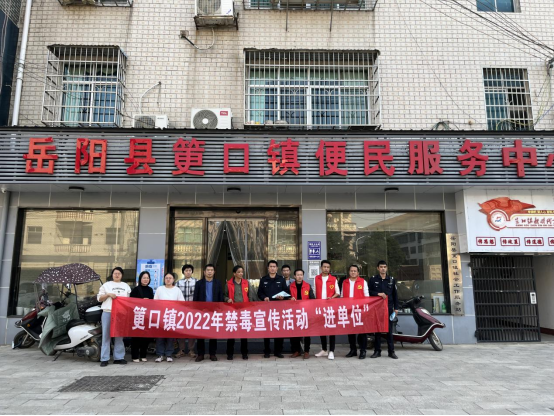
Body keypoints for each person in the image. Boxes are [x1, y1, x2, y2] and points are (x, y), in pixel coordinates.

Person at [97, 267, 132, 367]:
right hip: (108, 312)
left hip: (120, 314)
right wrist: (108, 295)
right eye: (115, 273)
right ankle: (104, 358)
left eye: (119, 273)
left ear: (122, 275)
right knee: (106, 335)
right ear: (112, 275)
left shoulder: (126, 286)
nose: (117, 275)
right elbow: (99, 298)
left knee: (119, 335)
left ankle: (119, 357)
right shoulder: (106, 285)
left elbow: (128, 301)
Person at [224, 265, 257, 361]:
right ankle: (230, 353)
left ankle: (244, 353)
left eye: (242, 272)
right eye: (238, 272)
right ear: (234, 273)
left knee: (244, 333)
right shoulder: (228, 283)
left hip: (244, 311)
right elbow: (224, 295)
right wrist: (227, 299)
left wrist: (250, 307)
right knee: (231, 333)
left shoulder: (246, 283)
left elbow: (250, 296)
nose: (241, 274)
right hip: (232, 311)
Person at [258, 260, 289, 358]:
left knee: (279, 330)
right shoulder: (263, 279)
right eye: (270, 266)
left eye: (274, 266)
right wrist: (264, 297)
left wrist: (283, 297)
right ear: (268, 268)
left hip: (279, 308)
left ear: (277, 268)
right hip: (267, 308)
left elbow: (287, 292)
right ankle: (267, 351)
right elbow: (259, 293)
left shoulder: (281, 279)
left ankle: (278, 351)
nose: (272, 268)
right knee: (267, 330)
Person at [369, 261, 400, 360]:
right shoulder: (373, 279)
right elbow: (368, 292)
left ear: (387, 268)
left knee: (389, 331)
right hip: (377, 309)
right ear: (378, 268)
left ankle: (391, 352)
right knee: (377, 330)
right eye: (381, 267)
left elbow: (395, 295)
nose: (383, 268)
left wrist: (396, 308)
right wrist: (378, 294)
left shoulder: (391, 280)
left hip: (388, 309)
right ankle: (377, 351)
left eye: (384, 267)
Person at [193, 264, 224, 362]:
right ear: (204, 272)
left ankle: (212, 354)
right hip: (202, 312)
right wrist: (196, 310)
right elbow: (195, 297)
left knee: (213, 334)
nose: (210, 272)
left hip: (214, 312)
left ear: (214, 272)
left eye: (211, 270)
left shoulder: (218, 283)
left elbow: (220, 297)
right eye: (208, 270)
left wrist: (220, 309)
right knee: (200, 334)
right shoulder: (199, 283)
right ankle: (200, 354)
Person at [154, 272, 185, 363]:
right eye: (166, 278)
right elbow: (155, 302)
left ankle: (169, 354)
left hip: (172, 315)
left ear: (173, 280)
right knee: (160, 336)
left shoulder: (177, 290)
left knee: (170, 337)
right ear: (164, 279)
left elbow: (182, 302)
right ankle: (160, 354)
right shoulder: (160, 289)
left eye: (170, 278)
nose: (168, 279)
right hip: (161, 315)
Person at [341, 264, 370, 360]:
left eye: (355, 271)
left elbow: (367, 297)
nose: (353, 272)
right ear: (349, 272)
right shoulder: (345, 282)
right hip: (349, 310)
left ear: (358, 273)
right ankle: (353, 350)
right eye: (351, 271)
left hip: (360, 310)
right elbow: (342, 296)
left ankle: (363, 350)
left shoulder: (363, 282)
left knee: (362, 332)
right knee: (351, 332)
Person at [314, 260, 340, 360]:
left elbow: (338, 292)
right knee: (322, 329)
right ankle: (324, 349)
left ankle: (331, 351)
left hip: (330, 308)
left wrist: (331, 297)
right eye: (324, 267)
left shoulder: (333, 279)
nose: (326, 269)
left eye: (328, 267)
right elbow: (315, 292)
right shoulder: (317, 278)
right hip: (320, 307)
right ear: (321, 268)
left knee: (331, 329)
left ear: (329, 268)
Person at [289, 269, 315, 360]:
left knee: (307, 333)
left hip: (305, 312)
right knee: (295, 332)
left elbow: (312, 298)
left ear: (303, 276)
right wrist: (290, 298)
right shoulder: (290, 286)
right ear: (294, 276)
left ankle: (306, 351)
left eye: (301, 275)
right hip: (294, 312)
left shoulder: (308, 286)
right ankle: (297, 351)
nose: (299, 276)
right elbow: (286, 298)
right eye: (298, 275)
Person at [130, 271, 154, 363]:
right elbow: (131, 302)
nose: (146, 279)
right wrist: (142, 300)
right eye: (144, 278)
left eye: (147, 278)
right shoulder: (136, 289)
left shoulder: (150, 290)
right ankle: (135, 356)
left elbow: (153, 303)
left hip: (146, 315)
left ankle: (143, 355)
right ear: (140, 279)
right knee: (136, 336)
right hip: (137, 315)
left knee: (145, 336)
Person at [175, 264, 197, 359]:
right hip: (181, 310)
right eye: (186, 270)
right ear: (183, 272)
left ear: (192, 272)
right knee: (181, 330)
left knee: (192, 330)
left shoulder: (196, 282)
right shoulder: (178, 283)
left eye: (189, 270)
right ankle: (182, 350)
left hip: (193, 310)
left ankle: (191, 350)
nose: (188, 272)